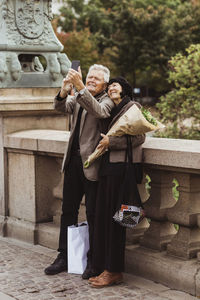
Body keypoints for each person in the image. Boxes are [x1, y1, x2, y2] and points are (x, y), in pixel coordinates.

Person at [44, 64, 114, 279]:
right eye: (89, 77)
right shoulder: (79, 97)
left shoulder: (107, 100)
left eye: (96, 79)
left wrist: (81, 86)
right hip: (72, 163)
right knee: (68, 211)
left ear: (105, 84)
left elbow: (99, 112)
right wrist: (65, 89)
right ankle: (63, 255)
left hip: (92, 165)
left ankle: (93, 260)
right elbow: (60, 107)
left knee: (93, 214)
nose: (92, 80)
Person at [89, 77, 145, 288]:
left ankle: (114, 271)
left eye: (116, 84)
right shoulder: (109, 109)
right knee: (104, 219)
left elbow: (140, 137)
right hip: (107, 170)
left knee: (117, 222)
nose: (112, 87)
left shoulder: (133, 107)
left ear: (125, 89)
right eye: (110, 85)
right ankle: (105, 267)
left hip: (123, 171)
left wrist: (111, 142)